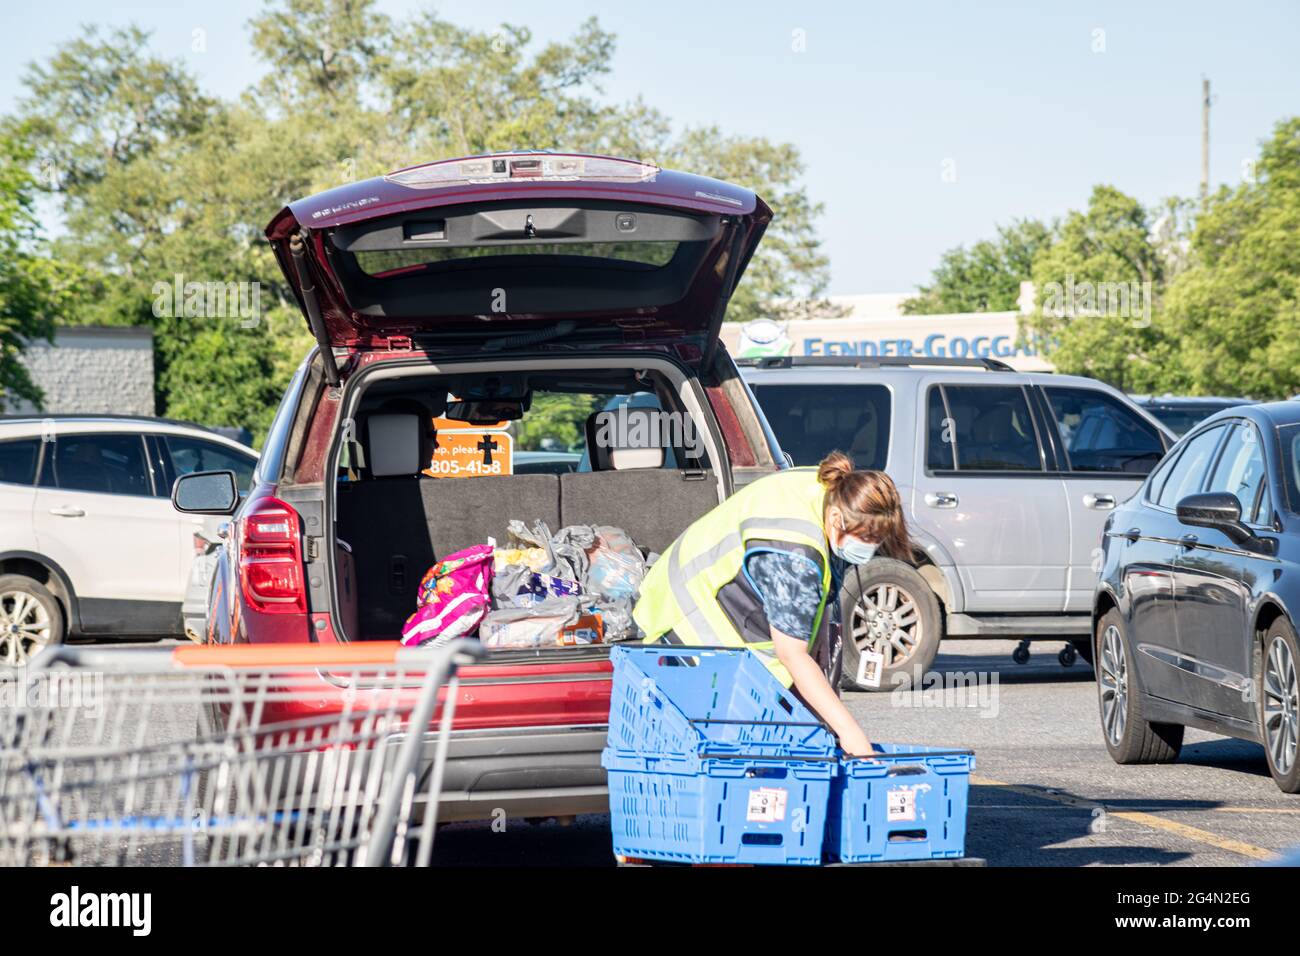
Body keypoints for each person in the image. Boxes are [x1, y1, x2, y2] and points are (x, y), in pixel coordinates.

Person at [632, 451, 913, 756]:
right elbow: (792, 653)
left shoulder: (824, 488)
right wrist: (849, 732)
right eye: (865, 539)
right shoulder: (793, 555)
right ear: (837, 519)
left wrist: (822, 710)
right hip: (686, 638)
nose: (868, 550)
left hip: (682, 602)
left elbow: (813, 613)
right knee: (728, 760)